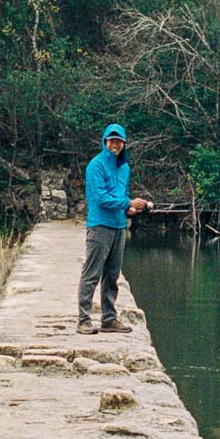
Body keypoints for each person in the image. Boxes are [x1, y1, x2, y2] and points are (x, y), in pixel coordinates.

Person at [78, 123, 152, 333]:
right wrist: (127, 204)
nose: (115, 144)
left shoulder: (124, 167)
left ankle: (109, 318)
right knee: (91, 274)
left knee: (112, 275)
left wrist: (129, 209)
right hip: (100, 226)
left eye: (119, 141)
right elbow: (101, 198)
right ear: (104, 142)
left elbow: (122, 195)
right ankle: (83, 320)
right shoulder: (95, 166)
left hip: (119, 227)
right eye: (111, 140)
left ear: (124, 143)